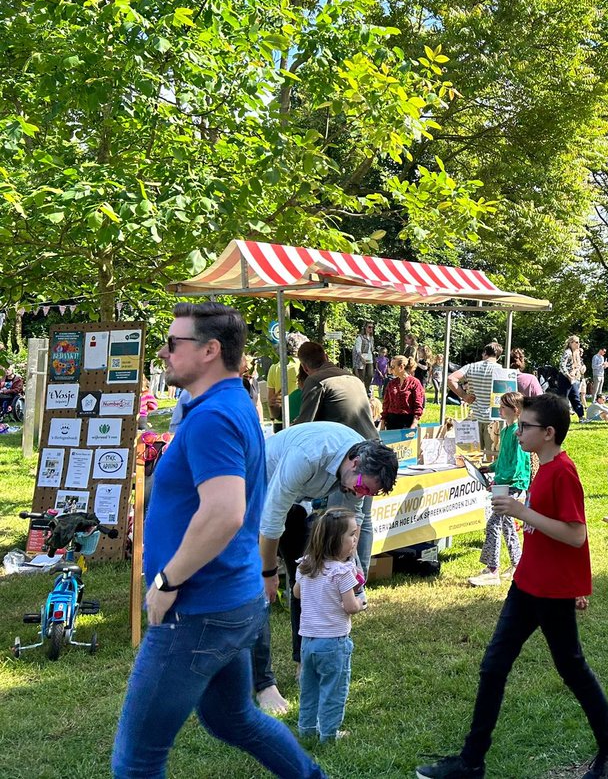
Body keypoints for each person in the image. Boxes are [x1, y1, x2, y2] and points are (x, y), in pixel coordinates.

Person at [111, 302, 324, 779]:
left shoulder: (214, 417)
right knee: (234, 719)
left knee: (135, 763)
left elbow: (224, 511)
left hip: (197, 608)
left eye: (173, 343)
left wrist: (168, 580)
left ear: (210, 350)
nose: (163, 353)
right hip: (230, 600)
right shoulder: (226, 403)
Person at [416, 394, 608, 779]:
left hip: (550, 591)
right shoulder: (544, 467)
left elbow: (576, 535)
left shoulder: (563, 472)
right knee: (493, 666)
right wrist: (522, 509)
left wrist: (522, 512)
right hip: (527, 584)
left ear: (548, 433)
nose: (518, 431)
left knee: (572, 670)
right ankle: (471, 762)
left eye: (526, 426)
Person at [254, 423, 397, 709]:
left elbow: (350, 525)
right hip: (257, 490)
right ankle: (263, 684)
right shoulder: (309, 455)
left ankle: (304, 662)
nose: (359, 494)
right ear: (354, 463)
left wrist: (355, 577)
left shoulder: (358, 467)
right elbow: (270, 522)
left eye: (368, 493)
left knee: (311, 574)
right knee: (255, 591)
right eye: (360, 487)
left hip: (298, 503)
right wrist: (268, 572)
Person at [294, 508, 366, 743]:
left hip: (308, 642)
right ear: (337, 541)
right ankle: (328, 734)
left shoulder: (306, 565)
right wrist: (361, 604)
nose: (355, 539)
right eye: (352, 535)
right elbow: (350, 607)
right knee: (333, 691)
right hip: (334, 643)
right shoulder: (343, 572)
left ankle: (306, 729)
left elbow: (297, 593)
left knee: (310, 688)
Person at [470, 392, 531, 586]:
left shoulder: (518, 432)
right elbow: (504, 458)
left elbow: (518, 464)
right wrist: (491, 468)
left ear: (515, 410)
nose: (500, 409)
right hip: (504, 482)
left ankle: (492, 569)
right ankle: (518, 564)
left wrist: (502, 480)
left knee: (494, 523)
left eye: (503, 406)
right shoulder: (505, 431)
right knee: (505, 524)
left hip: (513, 484)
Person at [295, 342, 378, 443]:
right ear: (326, 357)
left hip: (350, 448)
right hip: (372, 442)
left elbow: (304, 424)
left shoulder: (316, 380)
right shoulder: (353, 378)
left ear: (304, 367)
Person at [450, 342, 504, 424]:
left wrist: (464, 396)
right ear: (498, 357)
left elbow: (451, 378)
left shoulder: (471, 367)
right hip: (494, 419)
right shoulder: (502, 371)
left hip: (474, 417)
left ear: (485, 353)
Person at [267, 332, 305, 431]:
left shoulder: (274, 367)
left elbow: (271, 398)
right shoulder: (304, 366)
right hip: (299, 418)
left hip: (280, 419)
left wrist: (272, 416)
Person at [381, 355, 425, 430]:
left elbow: (418, 405)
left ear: (401, 367)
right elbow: (386, 404)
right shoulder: (391, 383)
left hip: (408, 422)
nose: (390, 369)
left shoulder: (415, 383)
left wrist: (414, 424)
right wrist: (382, 424)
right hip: (391, 422)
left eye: (393, 366)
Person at [558, 336, 586, 419]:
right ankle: (562, 417)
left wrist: (581, 368)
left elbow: (579, 364)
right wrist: (568, 375)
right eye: (576, 342)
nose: (578, 344)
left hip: (573, 378)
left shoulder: (577, 353)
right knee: (563, 398)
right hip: (565, 378)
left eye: (579, 342)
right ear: (571, 343)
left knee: (575, 397)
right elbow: (562, 365)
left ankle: (581, 417)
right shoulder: (567, 352)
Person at [352, 322, 375, 391]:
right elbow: (358, 349)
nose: (371, 329)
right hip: (361, 360)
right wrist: (361, 358)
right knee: (361, 377)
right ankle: (360, 391)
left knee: (370, 375)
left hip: (370, 359)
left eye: (372, 327)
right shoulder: (360, 337)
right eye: (369, 327)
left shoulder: (371, 338)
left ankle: (366, 390)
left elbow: (371, 349)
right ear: (365, 327)